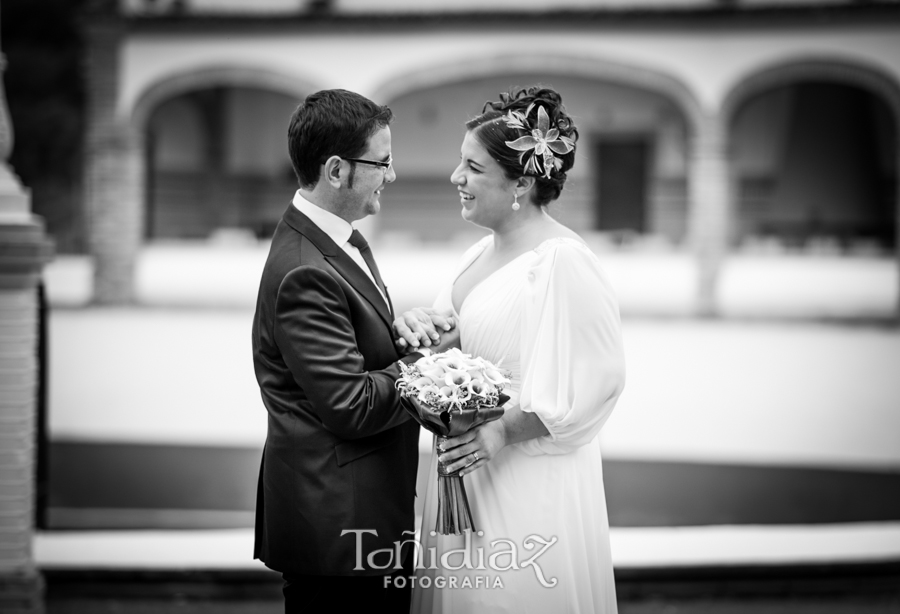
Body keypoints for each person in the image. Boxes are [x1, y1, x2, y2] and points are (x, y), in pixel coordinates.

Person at [395, 86, 626, 613]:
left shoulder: (563, 262)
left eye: (472, 168)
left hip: (523, 478)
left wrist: (502, 429)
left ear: (521, 181)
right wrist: (423, 335)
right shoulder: (479, 251)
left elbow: (596, 382)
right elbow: (457, 342)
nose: (457, 178)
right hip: (462, 475)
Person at [251, 88, 458, 613]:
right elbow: (352, 405)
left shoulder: (338, 239)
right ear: (337, 170)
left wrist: (404, 330)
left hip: (359, 514)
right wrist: (431, 360)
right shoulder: (304, 269)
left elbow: (357, 348)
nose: (391, 175)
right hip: (337, 527)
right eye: (382, 162)